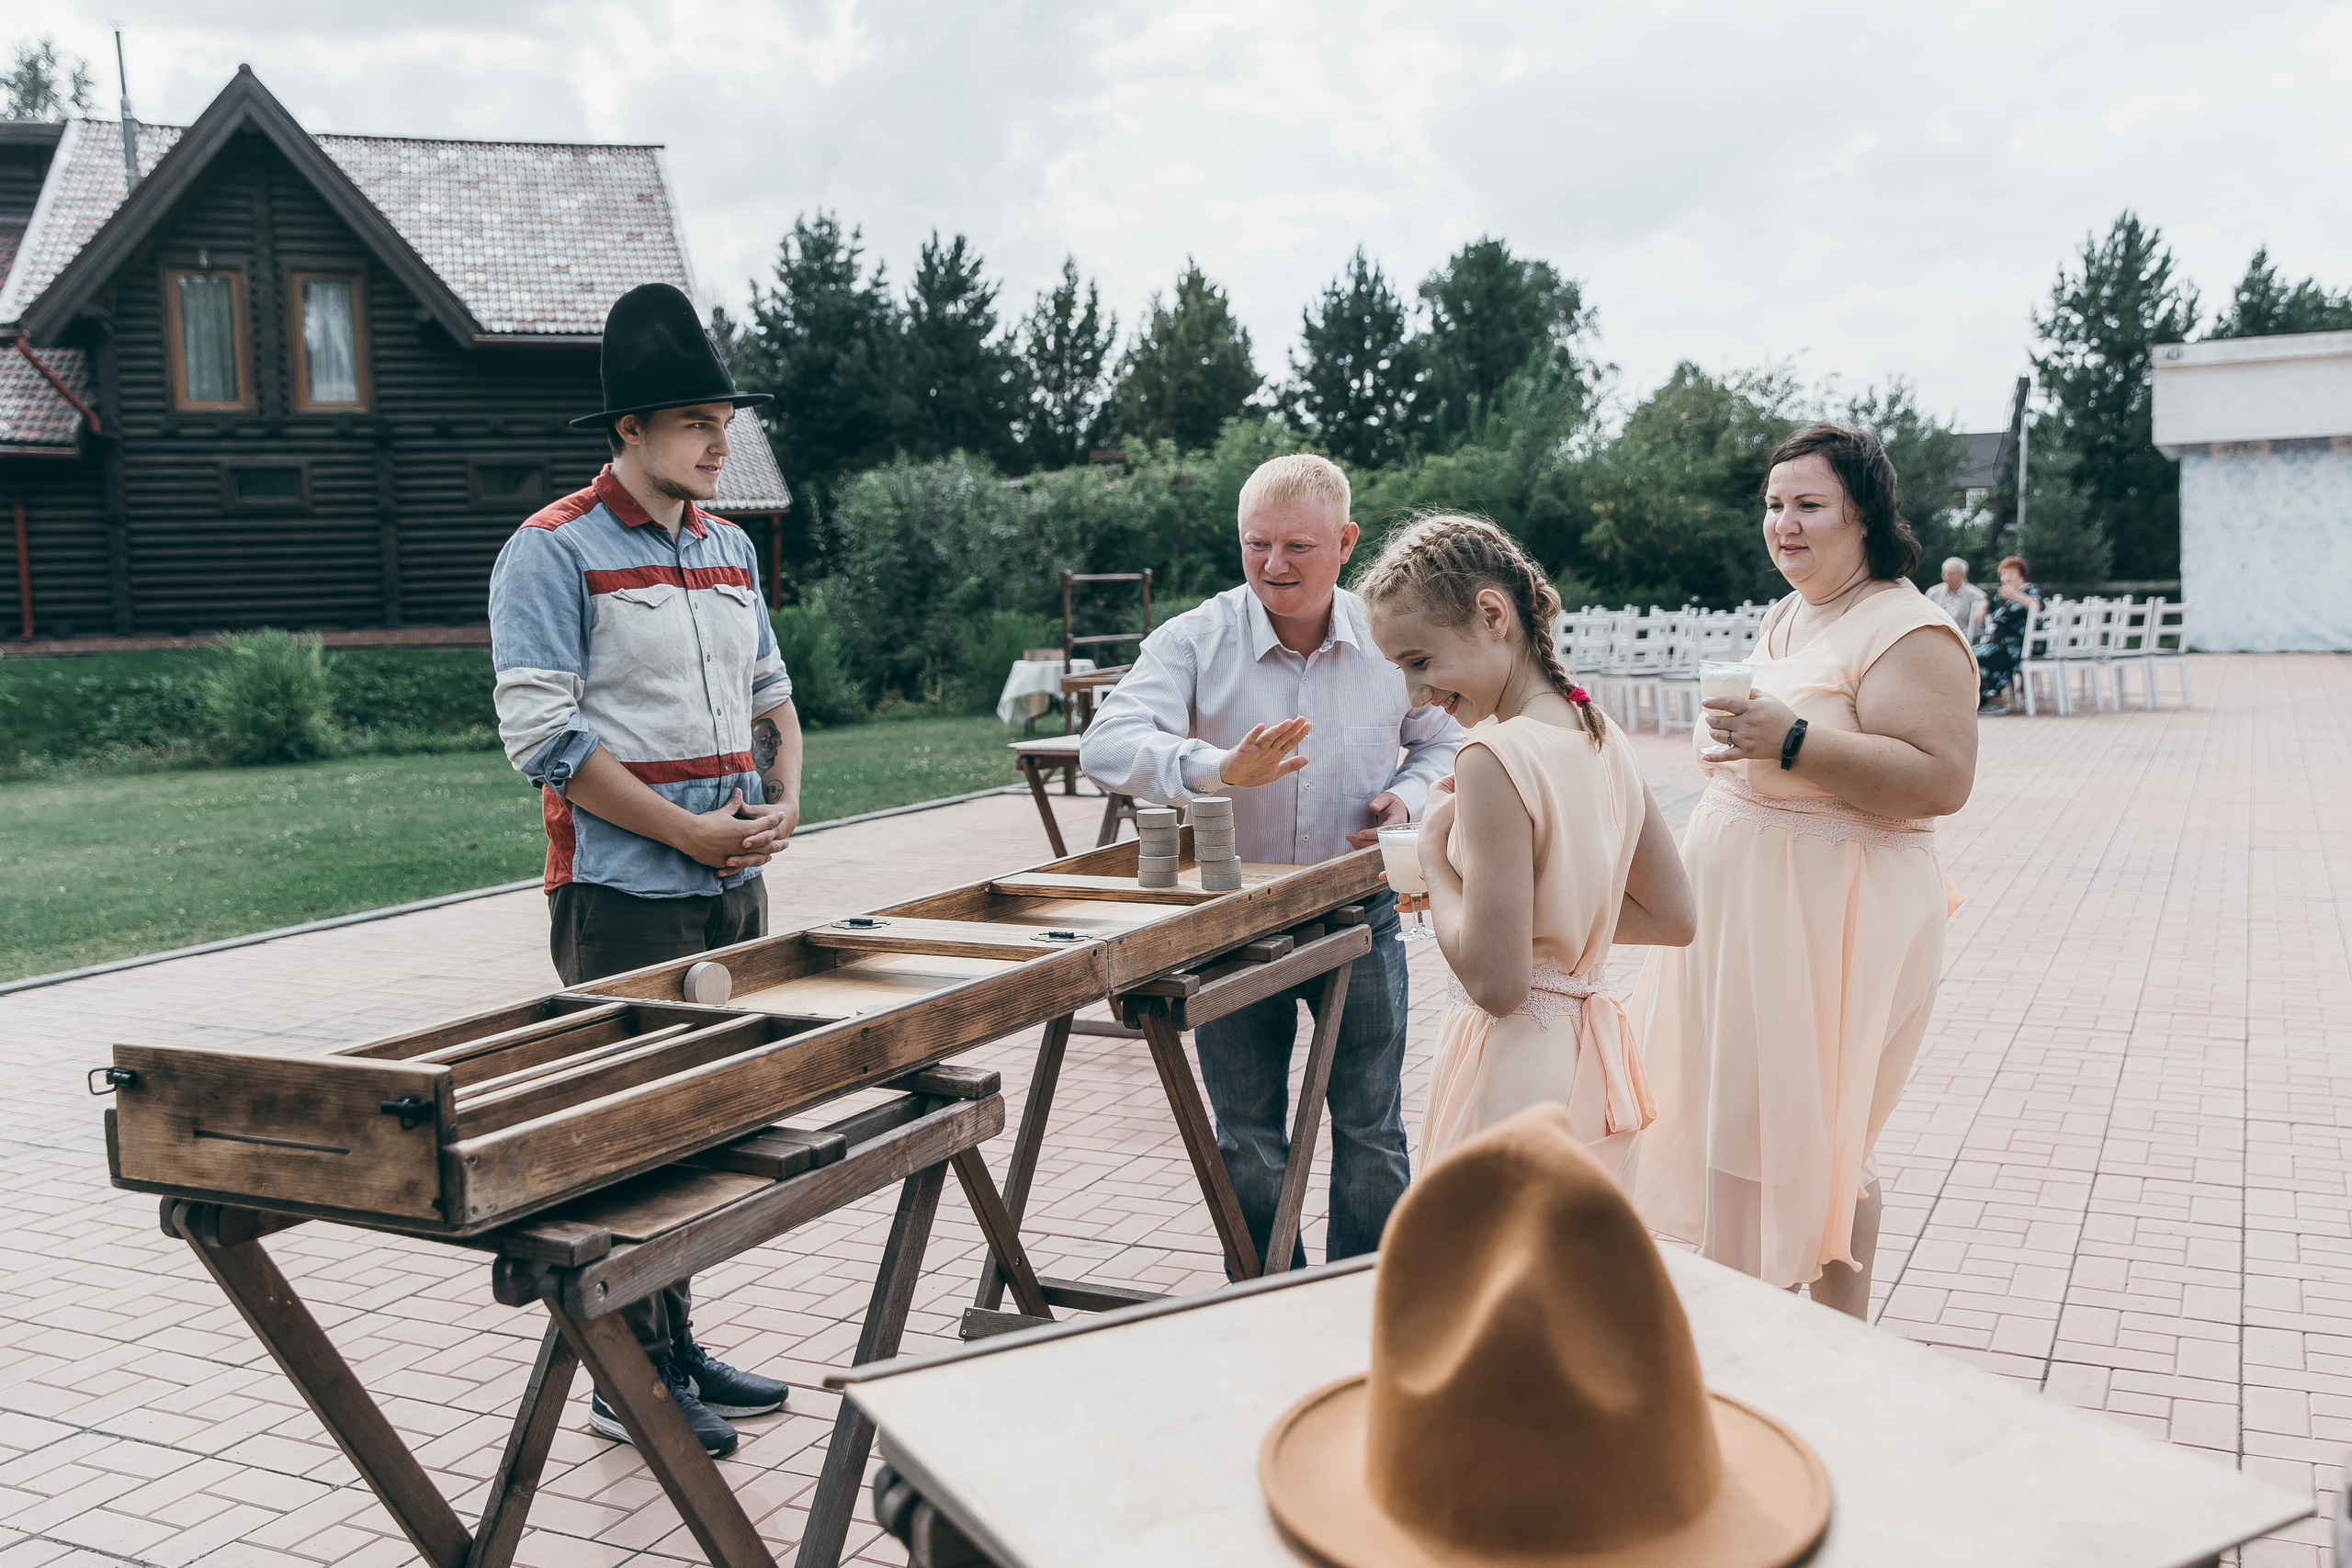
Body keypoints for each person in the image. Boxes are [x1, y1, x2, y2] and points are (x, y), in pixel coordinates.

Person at [489, 283, 798, 1457]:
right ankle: (628, 1378)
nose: (723, 442)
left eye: (726, 420)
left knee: (706, 1128)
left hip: (734, 884)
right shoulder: (550, 552)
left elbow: (776, 701)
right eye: (695, 423)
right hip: (622, 899)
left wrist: (780, 808)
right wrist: (690, 835)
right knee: (630, 1139)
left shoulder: (724, 548)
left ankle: (672, 1346)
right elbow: (546, 745)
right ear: (630, 432)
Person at [1080, 454, 1464, 1268]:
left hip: (1358, 913)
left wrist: (1412, 797)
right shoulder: (1195, 637)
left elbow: (1445, 740)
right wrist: (1218, 767)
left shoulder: (1391, 641)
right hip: (1229, 922)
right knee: (1247, 1131)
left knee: (1372, 1124)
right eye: (1257, 543)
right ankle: (1265, 1294)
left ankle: (1364, 1293)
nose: (1274, 564)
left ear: (1347, 542)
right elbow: (1106, 743)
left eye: (1297, 545)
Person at [1632, 423, 1979, 1319]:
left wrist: (1787, 738)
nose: (1783, 524)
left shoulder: (1906, 626)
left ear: (1862, 512)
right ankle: (1750, 1314)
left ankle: (1829, 1338)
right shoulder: (1787, 611)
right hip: (1746, 911)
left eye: (1808, 505)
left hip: (1831, 917)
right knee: (1735, 1125)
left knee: (1819, 1143)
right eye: (1773, 506)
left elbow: (1940, 781)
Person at [1357, 515, 1694, 1182]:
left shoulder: (1491, 754)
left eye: (1419, 661)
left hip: (1516, 1073)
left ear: (1491, 614)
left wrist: (1436, 858)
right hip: (1588, 1072)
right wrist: (1502, 910)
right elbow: (1674, 915)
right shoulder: (1601, 732)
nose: (1415, 693)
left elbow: (1497, 983)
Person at [1973, 556, 2042, 714]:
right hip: (1999, 644)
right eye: (2003, 574)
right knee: (1967, 653)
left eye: (2011, 573)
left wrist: (2015, 596)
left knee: (1980, 656)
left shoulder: (2030, 590)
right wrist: (1983, 605)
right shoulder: (2003, 594)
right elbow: (1989, 601)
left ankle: (1994, 699)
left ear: (2022, 575)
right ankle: (1984, 699)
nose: (2006, 577)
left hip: (2019, 646)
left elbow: (2037, 606)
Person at [1926, 556, 1987, 634]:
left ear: (1963, 575)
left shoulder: (1977, 596)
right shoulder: (1932, 593)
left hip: (1963, 639)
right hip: (1937, 636)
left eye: (1951, 574)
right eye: (1944, 574)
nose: (1946, 577)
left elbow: (1980, 627)